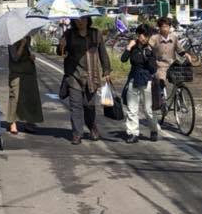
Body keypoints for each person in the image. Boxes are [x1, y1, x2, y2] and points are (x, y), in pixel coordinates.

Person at [57, 16, 111, 146]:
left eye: (83, 19)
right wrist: (61, 46)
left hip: (92, 76)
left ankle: (92, 126)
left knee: (89, 106)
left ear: (88, 20)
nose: (80, 21)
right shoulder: (69, 34)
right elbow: (60, 53)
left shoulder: (96, 34)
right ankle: (77, 134)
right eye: (77, 19)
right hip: (74, 76)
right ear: (73, 21)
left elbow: (102, 52)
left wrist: (106, 70)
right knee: (75, 106)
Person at [120, 23, 159, 144]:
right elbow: (123, 59)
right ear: (138, 34)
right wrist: (129, 47)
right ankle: (133, 133)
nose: (144, 38)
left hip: (146, 80)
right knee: (132, 109)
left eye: (147, 35)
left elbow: (153, 69)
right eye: (142, 35)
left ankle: (154, 130)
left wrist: (148, 57)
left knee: (148, 109)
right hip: (133, 79)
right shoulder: (133, 46)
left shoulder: (150, 49)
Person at [7, 36, 43, 135]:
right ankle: (12, 122)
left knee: (31, 97)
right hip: (16, 72)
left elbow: (30, 52)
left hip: (29, 71)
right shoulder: (12, 39)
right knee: (15, 97)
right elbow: (15, 57)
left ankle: (30, 122)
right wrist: (22, 45)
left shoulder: (28, 37)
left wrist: (32, 56)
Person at [149, 15, 191, 99]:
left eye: (167, 26)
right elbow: (148, 47)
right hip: (160, 65)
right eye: (163, 26)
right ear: (159, 28)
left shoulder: (173, 37)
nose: (165, 29)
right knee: (161, 79)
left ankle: (180, 97)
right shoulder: (155, 38)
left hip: (172, 64)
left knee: (180, 80)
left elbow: (179, 49)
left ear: (170, 27)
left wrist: (186, 54)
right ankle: (162, 97)